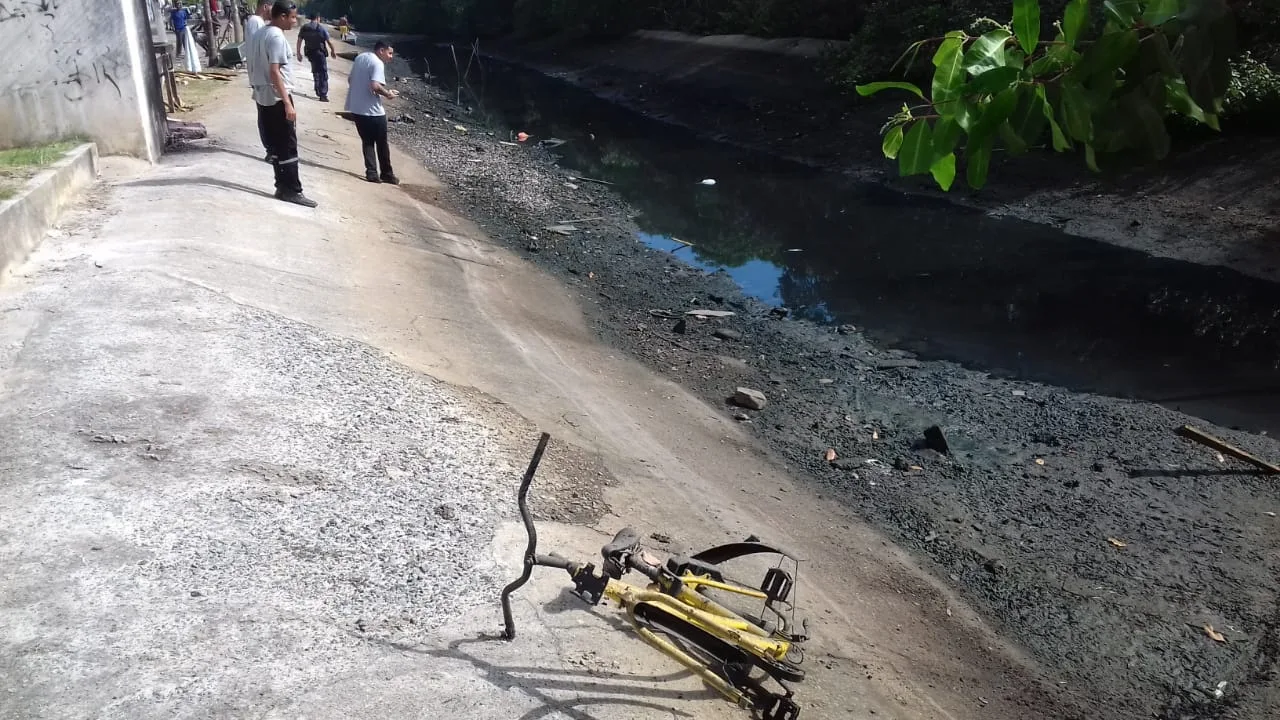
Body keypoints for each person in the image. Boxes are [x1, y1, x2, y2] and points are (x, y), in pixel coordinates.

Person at [252, 1, 316, 207]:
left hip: (263, 97)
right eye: (292, 17)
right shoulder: (276, 36)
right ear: (281, 16)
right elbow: (274, 71)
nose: (294, 21)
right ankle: (292, 190)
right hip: (278, 97)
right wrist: (287, 103)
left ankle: (281, 186)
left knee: (276, 145)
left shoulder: (260, 33)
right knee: (287, 145)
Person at [345, 41, 400, 184]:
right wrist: (388, 94)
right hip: (373, 111)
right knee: (382, 143)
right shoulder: (377, 63)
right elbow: (375, 85)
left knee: (367, 141)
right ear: (381, 50)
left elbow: (350, 79)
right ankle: (387, 174)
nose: (391, 57)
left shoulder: (360, 58)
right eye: (389, 53)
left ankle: (372, 173)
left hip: (357, 108)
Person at [242, 1, 272, 161]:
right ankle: (270, 149)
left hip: (260, 76)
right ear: (266, 6)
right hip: (260, 77)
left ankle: (271, 148)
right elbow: (256, 50)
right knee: (265, 114)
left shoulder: (257, 22)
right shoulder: (256, 22)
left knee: (266, 113)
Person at [296, 12, 335, 102]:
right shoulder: (320, 28)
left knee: (315, 72)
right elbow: (329, 41)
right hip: (320, 53)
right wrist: (333, 51)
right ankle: (323, 94)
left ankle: (318, 90)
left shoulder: (305, 28)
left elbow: (299, 40)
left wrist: (298, 53)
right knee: (323, 73)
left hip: (310, 53)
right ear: (318, 18)